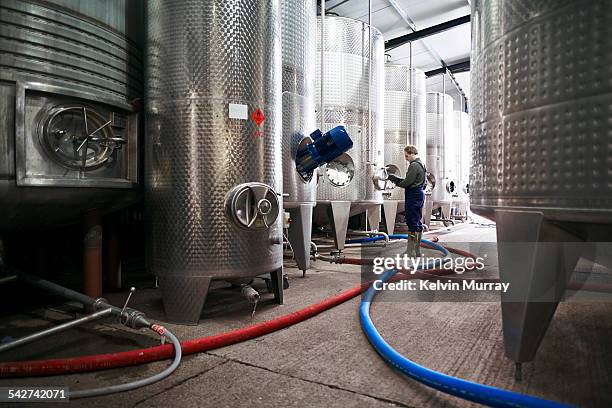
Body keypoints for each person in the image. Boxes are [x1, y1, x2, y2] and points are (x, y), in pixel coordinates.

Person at [387, 145, 427, 258]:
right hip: (419, 194)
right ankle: (417, 251)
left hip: (413, 195)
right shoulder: (422, 164)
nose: (406, 158)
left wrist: (395, 181)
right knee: (417, 222)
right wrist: (398, 179)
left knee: (412, 223)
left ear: (412, 153)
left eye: (407, 156)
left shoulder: (414, 165)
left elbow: (407, 183)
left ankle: (410, 252)